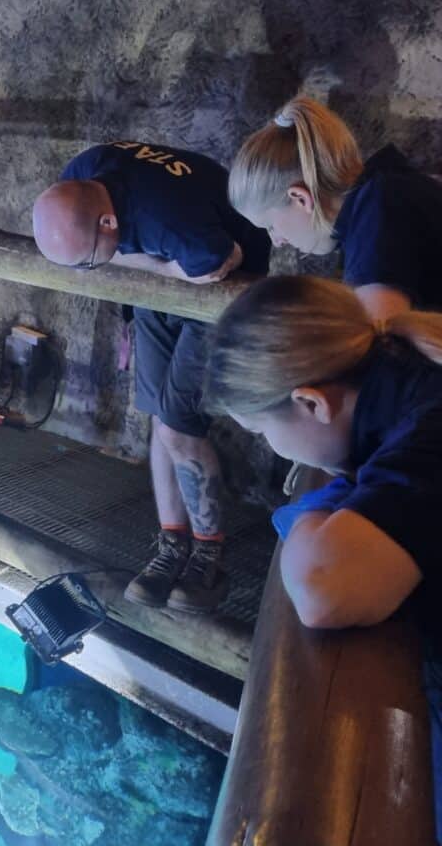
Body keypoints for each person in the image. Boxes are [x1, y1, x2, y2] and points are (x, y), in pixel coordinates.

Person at [204, 274, 442, 841]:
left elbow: (319, 587)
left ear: (311, 401)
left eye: (263, 431)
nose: (271, 445)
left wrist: (308, 509)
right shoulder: (401, 366)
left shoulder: (426, 432)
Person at [32, 139, 270, 613]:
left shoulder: (167, 217)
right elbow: (153, 263)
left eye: (90, 259)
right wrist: (154, 266)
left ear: (109, 222)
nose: (90, 270)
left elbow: (218, 264)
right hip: (159, 284)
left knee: (179, 426)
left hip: (222, 289)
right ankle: (172, 546)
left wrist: (131, 262)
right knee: (158, 418)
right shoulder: (80, 175)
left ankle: (210, 557)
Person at [230, 95, 442, 317]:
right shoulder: (384, 189)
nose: (277, 241)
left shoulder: (377, 221)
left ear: (301, 199)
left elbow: (380, 339)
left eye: (270, 226)